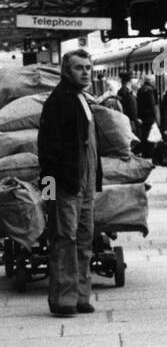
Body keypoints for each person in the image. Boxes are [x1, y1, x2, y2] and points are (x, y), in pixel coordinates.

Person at [36, 50, 103, 318]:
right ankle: (63, 299)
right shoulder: (58, 102)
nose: (85, 72)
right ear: (66, 71)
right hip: (65, 184)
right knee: (64, 239)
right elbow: (46, 151)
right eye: (79, 68)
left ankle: (81, 296)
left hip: (84, 182)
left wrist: (95, 181)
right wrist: (48, 193)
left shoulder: (82, 99)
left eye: (88, 67)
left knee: (85, 238)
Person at [136, 73, 158, 149]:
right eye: (154, 81)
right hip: (149, 117)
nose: (154, 82)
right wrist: (156, 117)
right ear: (151, 81)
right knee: (150, 135)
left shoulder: (140, 89)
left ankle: (145, 151)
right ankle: (149, 152)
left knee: (144, 134)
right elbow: (152, 104)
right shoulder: (150, 90)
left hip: (142, 116)